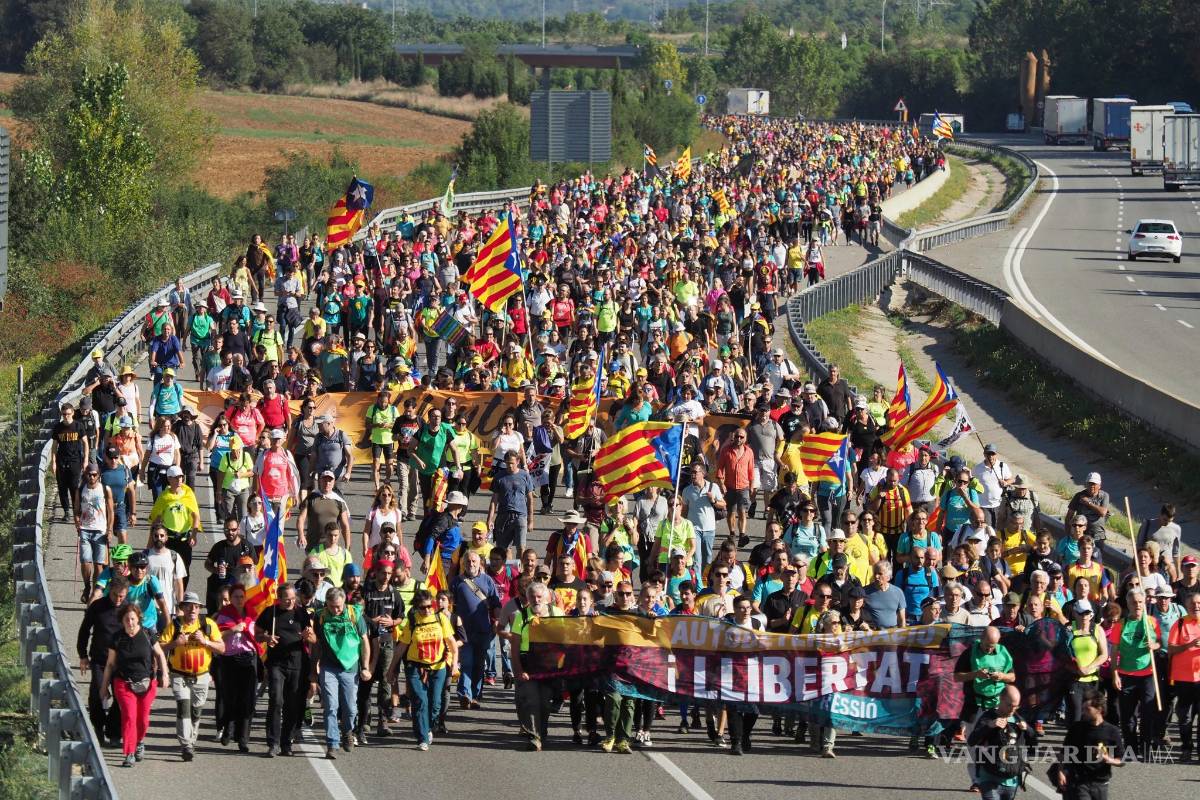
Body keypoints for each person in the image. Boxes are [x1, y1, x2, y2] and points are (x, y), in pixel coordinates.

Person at [99, 602, 169, 768]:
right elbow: (110, 664)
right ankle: (129, 752)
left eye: (132, 619)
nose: (130, 622)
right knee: (129, 716)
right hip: (124, 683)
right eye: (126, 620)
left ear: (138, 619)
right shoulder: (117, 638)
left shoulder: (147, 634)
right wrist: (104, 687)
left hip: (147, 683)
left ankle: (140, 742)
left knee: (143, 719)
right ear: (122, 621)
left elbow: (160, 654)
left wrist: (164, 674)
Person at [390, 588, 459, 751]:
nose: (427, 610)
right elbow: (401, 647)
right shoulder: (412, 621)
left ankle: (427, 727)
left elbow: (452, 644)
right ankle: (422, 737)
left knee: (435, 704)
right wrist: (391, 669)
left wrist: (454, 665)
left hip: (438, 667)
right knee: (421, 701)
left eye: (430, 606)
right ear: (416, 607)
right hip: (415, 667)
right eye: (423, 607)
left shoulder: (441, 619)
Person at [159, 591, 226, 761]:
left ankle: (191, 739)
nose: (193, 610)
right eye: (189, 606)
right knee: (184, 707)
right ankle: (186, 745)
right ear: (182, 608)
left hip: (201, 676)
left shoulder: (208, 624)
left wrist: (205, 642)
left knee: (196, 711)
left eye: (196, 607)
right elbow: (160, 648)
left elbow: (222, 648)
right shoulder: (174, 625)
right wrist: (176, 643)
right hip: (179, 675)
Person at [310, 587, 371, 759]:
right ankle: (332, 743)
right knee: (330, 705)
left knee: (350, 708)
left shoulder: (354, 614)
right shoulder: (321, 616)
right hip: (329, 667)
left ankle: (347, 732)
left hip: (350, 667)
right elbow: (316, 644)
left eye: (338, 606)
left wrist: (365, 666)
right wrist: (313, 670)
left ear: (344, 602)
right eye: (332, 606)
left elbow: (364, 641)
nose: (335, 610)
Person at [954, 626, 1017, 793]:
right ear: (981, 639)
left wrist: (1002, 676)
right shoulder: (969, 653)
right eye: (988, 645)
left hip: (998, 705)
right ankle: (977, 780)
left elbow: (1013, 676)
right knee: (974, 744)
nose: (990, 649)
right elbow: (957, 676)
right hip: (975, 706)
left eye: (993, 645)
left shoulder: (1003, 652)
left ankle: (1001, 775)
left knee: (1003, 743)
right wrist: (975, 674)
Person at [254, 583, 313, 757]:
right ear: (278, 598)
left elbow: (314, 638)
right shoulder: (270, 613)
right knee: (276, 700)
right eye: (287, 599)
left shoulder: (301, 613)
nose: (290, 602)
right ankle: (273, 743)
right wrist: (266, 637)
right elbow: (256, 634)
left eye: (293, 598)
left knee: (292, 704)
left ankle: (287, 743)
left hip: (297, 663)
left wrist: (308, 636)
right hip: (276, 664)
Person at [1110, 587, 1163, 759]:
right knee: (1127, 716)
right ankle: (1131, 749)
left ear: (1145, 602)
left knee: (1147, 713)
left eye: (1140, 602)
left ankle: (1146, 749)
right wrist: (1115, 674)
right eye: (1134, 602)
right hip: (1127, 674)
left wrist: (1153, 645)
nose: (1137, 605)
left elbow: (1160, 643)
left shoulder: (1151, 622)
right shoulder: (1121, 625)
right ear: (1128, 604)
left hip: (1148, 674)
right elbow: (1114, 652)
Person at [509, 581, 562, 751]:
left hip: (549, 666)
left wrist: (561, 667)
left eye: (540, 597)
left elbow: (566, 642)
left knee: (545, 703)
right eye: (533, 597)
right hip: (528, 665)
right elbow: (515, 646)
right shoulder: (521, 616)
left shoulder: (557, 613)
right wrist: (518, 670)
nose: (536, 600)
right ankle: (534, 736)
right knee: (531, 700)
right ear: (528, 598)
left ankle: (542, 731)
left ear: (547, 598)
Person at [78, 574, 128, 745]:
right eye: (115, 595)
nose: (118, 599)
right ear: (109, 591)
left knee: (121, 697)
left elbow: (137, 635)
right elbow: (84, 630)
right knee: (98, 693)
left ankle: (114, 731)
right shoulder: (98, 607)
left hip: (121, 662)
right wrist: (83, 655)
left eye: (122, 596)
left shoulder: (129, 610)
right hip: (100, 660)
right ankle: (98, 727)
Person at [1052, 686, 1124, 800]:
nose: (1083, 712)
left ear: (1099, 709)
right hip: (1078, 781)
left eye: (1087, 709)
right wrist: (1060, 771)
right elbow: (1064, 752)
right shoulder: (1076, 728)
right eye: (1083, 709)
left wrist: (1108, 759)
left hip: (1101, 782)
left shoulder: (1112, 731)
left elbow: (1121, 760)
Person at [214, 584, 259, 752]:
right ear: (230, 598)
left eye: (242, 596)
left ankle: (243, 738)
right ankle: (228, 728)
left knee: (247, 699)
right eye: (236, 597)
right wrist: (233, 629)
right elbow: (217, 635)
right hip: (229, 658)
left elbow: (258, 634)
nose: (239, 600)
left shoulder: (252, 614)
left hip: (248, 657)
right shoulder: (224, 614)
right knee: (230, 696)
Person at [967, 685, 1029, 800]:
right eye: (1009, 705)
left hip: (1011, 781)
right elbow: (972, 740)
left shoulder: (1018, 719)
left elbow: (1033, 745)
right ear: (1001, 699)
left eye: (1016, 706)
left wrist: (1028, 730)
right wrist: (989, 726)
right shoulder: (989, 717)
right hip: (988, 778)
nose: (1012, 709)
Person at [75, 464, 114, 603]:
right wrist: (77, 522)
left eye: (94, 474)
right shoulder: (81, 489)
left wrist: (109, 530)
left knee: (99, 565)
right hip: (85, 530)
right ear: (85, 475)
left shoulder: (105, 489)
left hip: (100, 531)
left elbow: (111, 511)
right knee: (85, 562)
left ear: (99, 475)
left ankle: (95, 592)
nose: (91, 477)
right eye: (89, 474)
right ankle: (86, 587)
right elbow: (77, 510)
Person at [487, 449, 536, 559]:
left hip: (520, 516)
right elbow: (494, 500)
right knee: (504, 549)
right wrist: (489, 519)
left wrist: (531, 521)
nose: (509, 466)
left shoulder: (525, 476)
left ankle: (520, 573)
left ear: (518, 461)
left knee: (521, 547)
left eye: (512, 463)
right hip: (503, 516)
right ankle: (508, 574)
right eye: (507, 463)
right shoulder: (499, 476)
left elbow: (530, 499)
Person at [1169, 592, 1200, 759]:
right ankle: (1186, 747)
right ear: (1187, 606)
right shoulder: (1180, 623)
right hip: (1183, 678)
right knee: (1185, 716)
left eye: (1198, 603)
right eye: (1193, 604)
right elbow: (1171, 648)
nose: (1196, 606)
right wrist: (1189, 645)